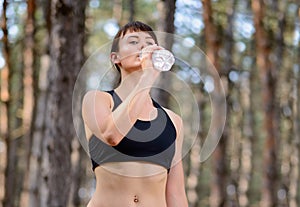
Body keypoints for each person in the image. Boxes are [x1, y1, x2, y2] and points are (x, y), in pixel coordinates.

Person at [82, 21, 188, 207]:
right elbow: (112, 135)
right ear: (115, 58)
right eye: (133, 41)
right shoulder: (97, 100)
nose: (143, 47)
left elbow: (176, 194)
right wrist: (148, 75)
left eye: (149, 43)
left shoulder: (173, 121)